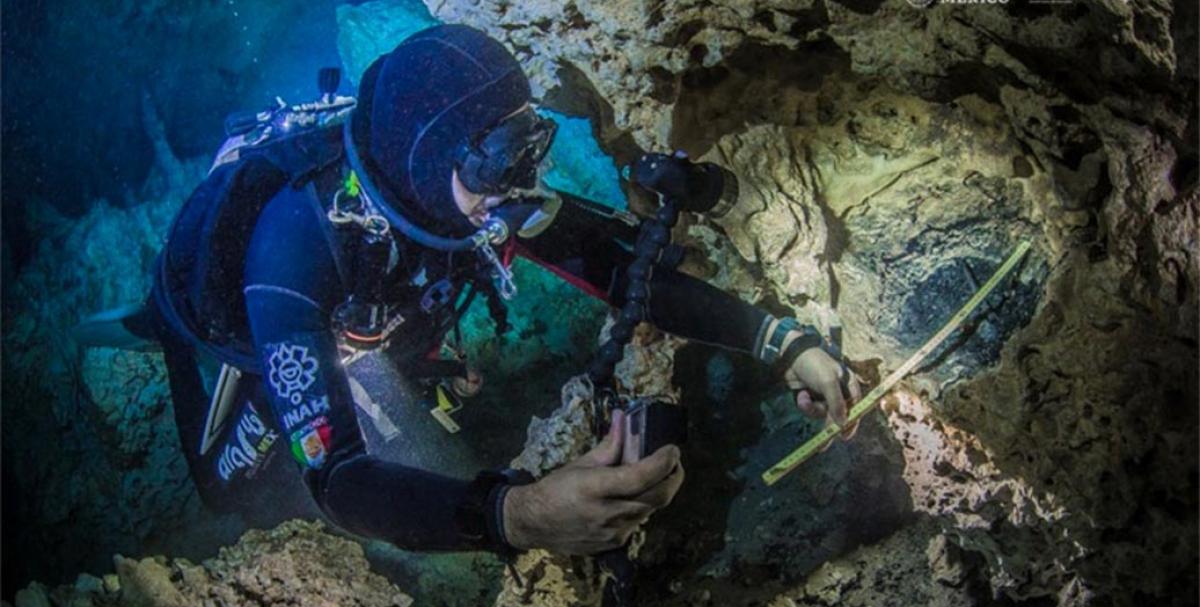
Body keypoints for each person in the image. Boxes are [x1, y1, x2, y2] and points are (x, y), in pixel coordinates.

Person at [84, 25, 859, 559]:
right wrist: (515, 517)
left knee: (392, 353)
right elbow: (337, 479)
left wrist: (779, 340)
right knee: (230, 490)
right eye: (494, 160)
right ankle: (121, 329)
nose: (519, 184)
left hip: (373, 312)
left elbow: (624, 276)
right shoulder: (293, 246)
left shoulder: (474, 194)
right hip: (232, 328)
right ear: (430, 161)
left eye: (527, 146)